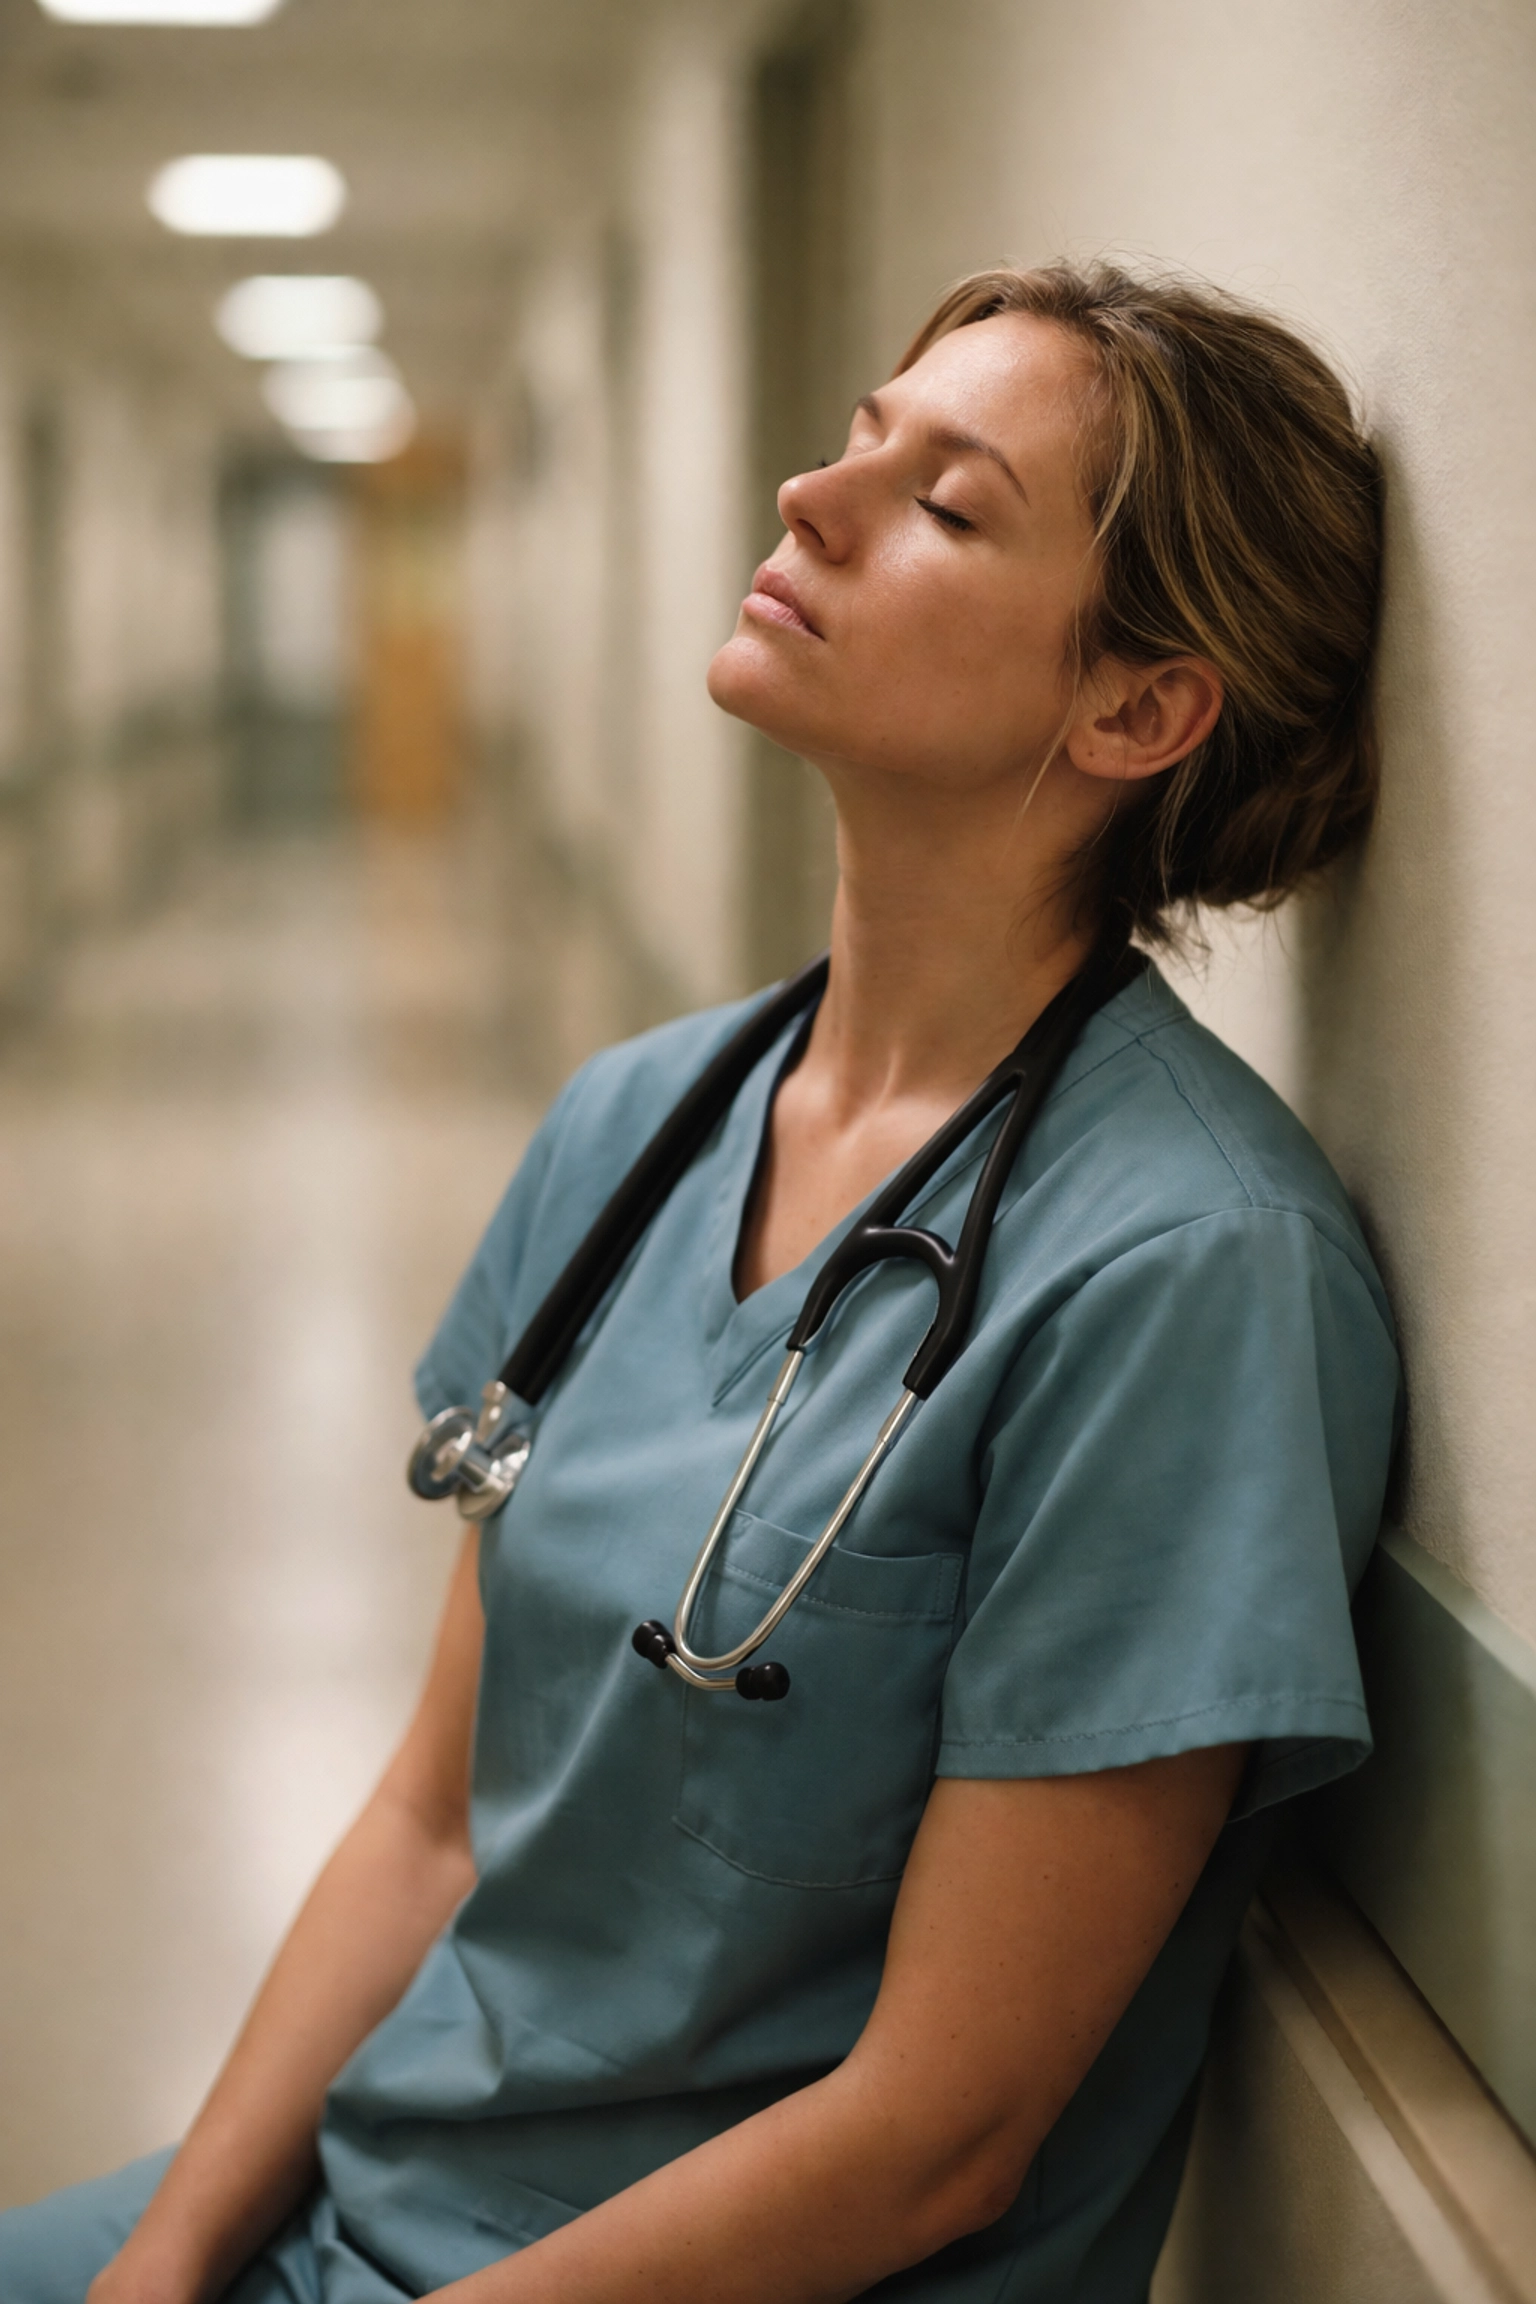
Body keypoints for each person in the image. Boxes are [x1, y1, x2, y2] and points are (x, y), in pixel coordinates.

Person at [0, 261, 1400, 2304]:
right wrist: (175, 2258)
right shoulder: (639, 1121)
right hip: (376, 2205)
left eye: (946, 501)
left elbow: (940, 2135)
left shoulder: (1189, 1273)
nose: (808, 498)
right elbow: (432, 1825)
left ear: (1137, 706)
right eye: (856, 436)